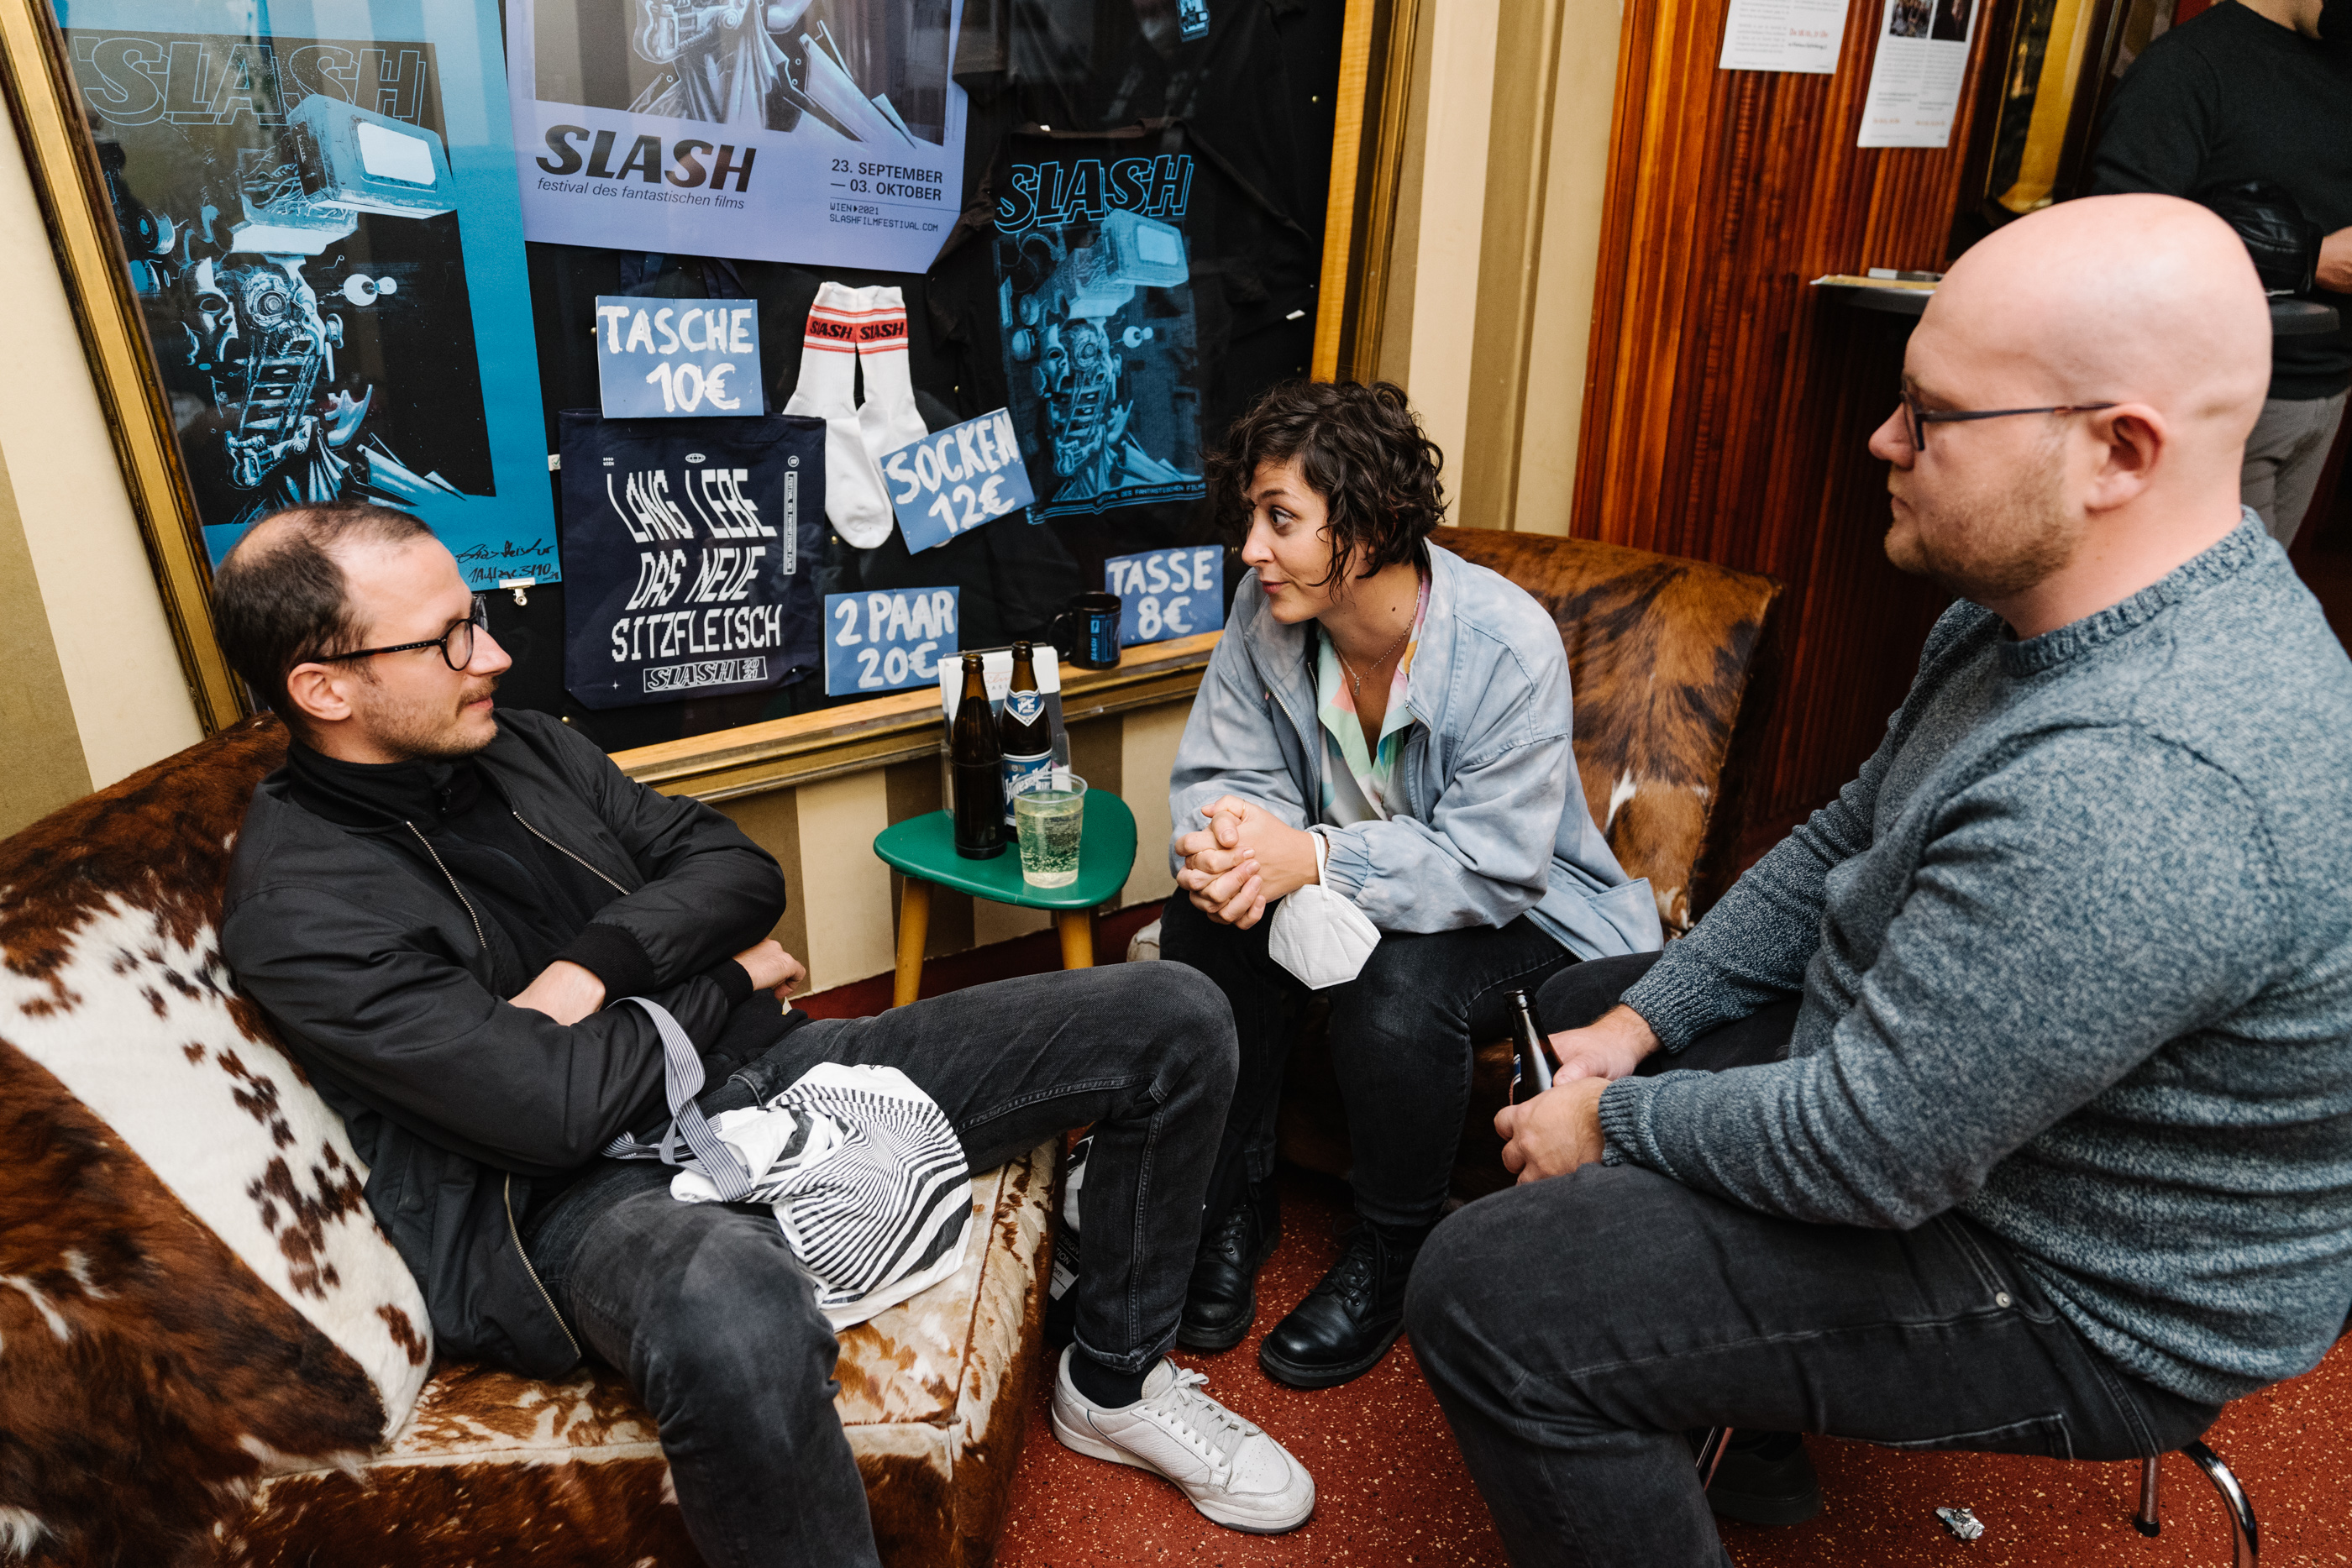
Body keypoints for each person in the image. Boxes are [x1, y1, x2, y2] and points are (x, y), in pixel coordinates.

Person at [1404, 192, 2352, 1566]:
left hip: (2075, 1278)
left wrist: (1612, 1121)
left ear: (2119, 450)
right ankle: (1739, 1409)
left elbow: (1872, 1146)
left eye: (1934, 414)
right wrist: (1640, 1026)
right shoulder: (2025, 608)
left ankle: (1682, 1377)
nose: (1883, 439)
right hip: (1957, 1110)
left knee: (1491, 1294)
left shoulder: (2137, 781)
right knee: (1579, 1002)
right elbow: (1847, 837)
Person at [210, 505, 1316, 1568]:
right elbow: (548, 1109)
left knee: (1173, 1012)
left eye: (477, 617)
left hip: (765, 1066)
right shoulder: (299, 908)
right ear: (324, 686)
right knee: (731, 1312)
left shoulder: (521, 744)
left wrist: (594, 969)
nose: (491, 654)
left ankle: (1112, 1380)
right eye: (447, 637)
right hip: (574, 1193)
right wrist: (727, 976)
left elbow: (738, 869)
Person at [1158, 380, 1663, 1391]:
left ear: (1367, 525)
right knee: (1202, 923)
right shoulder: (1267, 614)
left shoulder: (1505, 643)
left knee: (1395, 995)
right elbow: (1226, 771)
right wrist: (1229, 843)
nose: (1250, 549)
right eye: (1252, 516)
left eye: (1280, 519)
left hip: (1535, 905)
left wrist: (1316, 858)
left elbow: (1495, 862)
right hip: (1351, 881)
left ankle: (1394, 1249)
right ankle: (1237, 1203)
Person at [2089, 0, 2352, 544]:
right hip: (2222, 400)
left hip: (2327, 391)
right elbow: (2122, 235)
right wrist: (2309, 260)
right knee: (2225, 595)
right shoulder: (2186, 67)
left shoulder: (2341, 58)